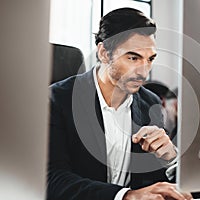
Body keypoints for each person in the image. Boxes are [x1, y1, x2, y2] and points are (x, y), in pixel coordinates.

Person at [47, 8, 192, 200]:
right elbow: (52, 180)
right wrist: (126, 196)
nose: (144, 71)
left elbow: (152, 183)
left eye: (150, 59)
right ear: (104, 53)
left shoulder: (150, 103)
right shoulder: (56, 100)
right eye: (133, 58)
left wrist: (168, 158)